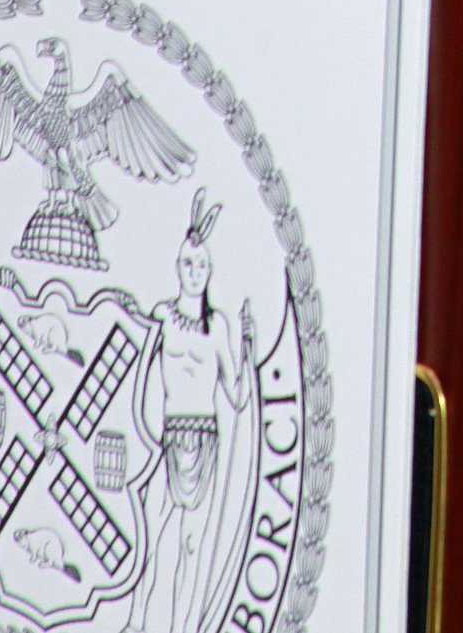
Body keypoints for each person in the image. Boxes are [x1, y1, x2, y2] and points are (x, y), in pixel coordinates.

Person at [140, 190, 257, 632]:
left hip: (205, 441)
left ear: (210, 272)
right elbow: (138, 384)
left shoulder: (219, 326)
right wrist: (148, 434)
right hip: (165, 441)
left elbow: (238, 394)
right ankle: (139, 622)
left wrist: (244, 346)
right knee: (153, 541)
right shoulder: (161, 318)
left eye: (202, 266)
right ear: (177, 267)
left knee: (192, 545)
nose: (194, 273)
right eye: (188, 264)